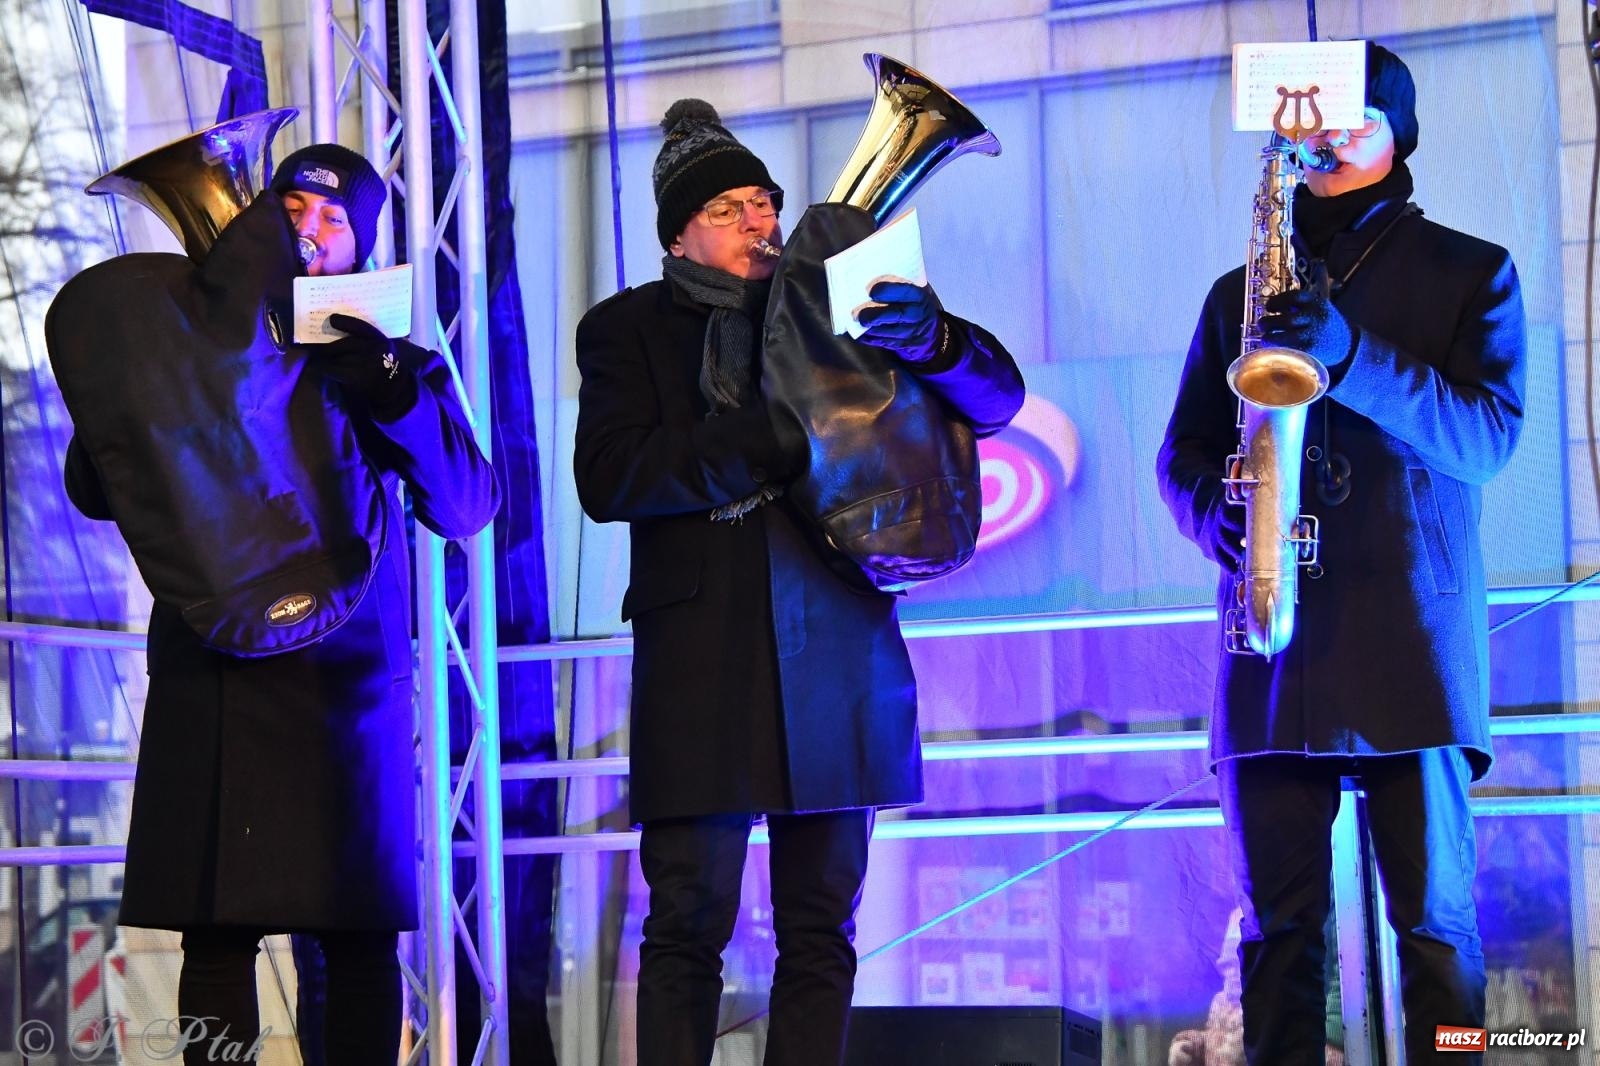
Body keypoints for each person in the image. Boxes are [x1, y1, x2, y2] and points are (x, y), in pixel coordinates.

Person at [573, 99, 1024, 1066]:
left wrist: (934, 339)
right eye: (732, 208)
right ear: (680, 231)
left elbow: (999, 400)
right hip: (704, 657)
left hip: (834, 648)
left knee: (822, 927)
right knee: (688, 921)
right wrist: (773, 437)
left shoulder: (842, 299)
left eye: (766, 205)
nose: (761, 223)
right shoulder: (626, 330)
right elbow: (612, 477)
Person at [61, 143, 499, 1063]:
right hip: (214, 671)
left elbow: (467, 506)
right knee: (215, 934)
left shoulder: (395, 361)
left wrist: (384, 387)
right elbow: (97, 492)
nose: (307, 228)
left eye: (333, 218)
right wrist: (140, 381)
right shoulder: (182, 359)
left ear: (362, 249)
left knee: (358, 942)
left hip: (346, 691)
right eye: (291, 208)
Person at [1157, 43, 1526, 1065]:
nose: (1320, 133)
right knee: (1279, 938)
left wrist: (1350, 358)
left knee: (1439, 936)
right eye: (1308, 117)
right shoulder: (1239, 285)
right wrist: (1212, 519)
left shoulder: (1473, 271)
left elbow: (1485, 438)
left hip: (1410, 632)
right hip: (1273, 638)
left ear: (1392, 133)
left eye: (1347, 116)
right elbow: (1182, 452)